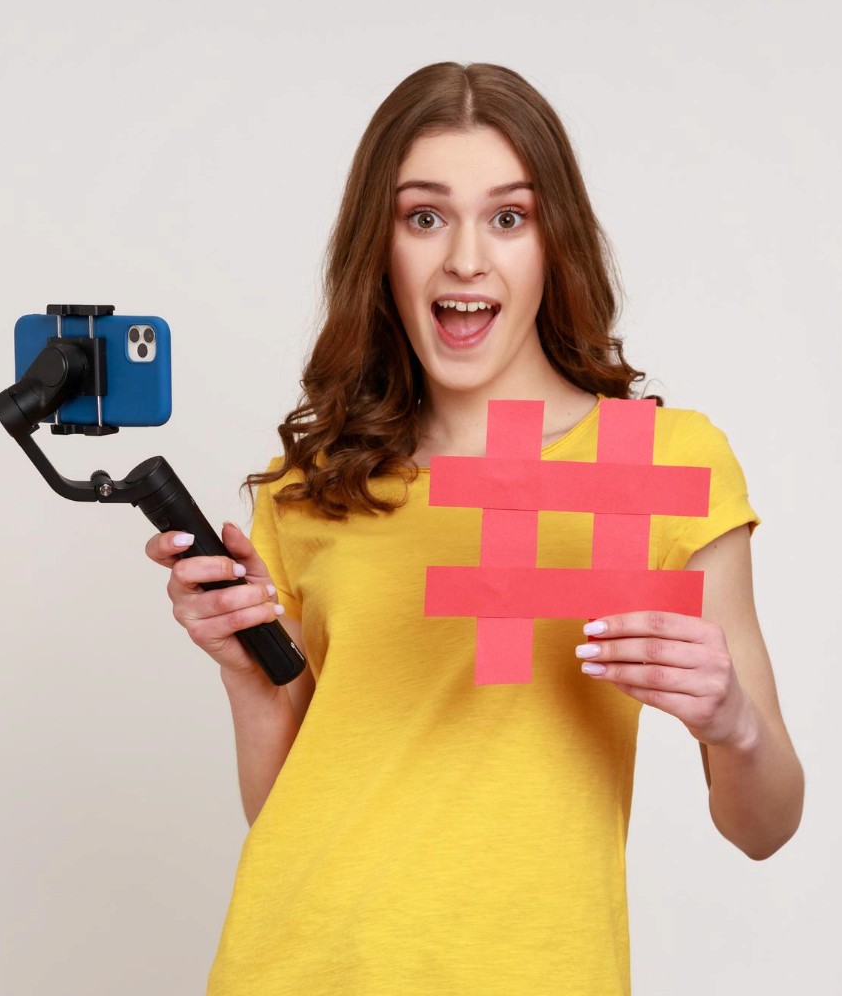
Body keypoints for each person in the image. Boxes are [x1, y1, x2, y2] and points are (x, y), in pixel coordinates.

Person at [143, 61, 804, 996]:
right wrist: (249, 681)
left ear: (553, 241)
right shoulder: (313, 485)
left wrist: (732, 723)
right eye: (424, 216)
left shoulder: (663, 462)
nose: (464, 257)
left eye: (508, 216)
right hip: (295, 965)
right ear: (382, 247)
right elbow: (289, 807)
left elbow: (765, 825)